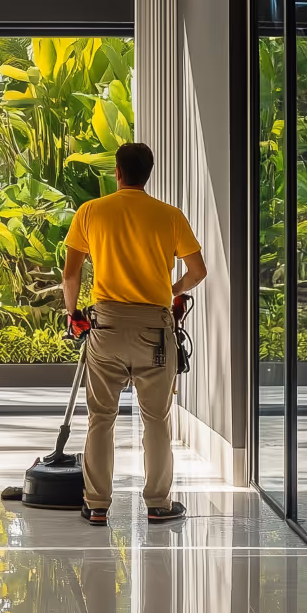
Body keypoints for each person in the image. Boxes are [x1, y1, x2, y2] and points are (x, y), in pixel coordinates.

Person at [61, 141, 206, 525]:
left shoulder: (91, 212)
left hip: (105, 326)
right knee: (156, 419)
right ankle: (158, 504)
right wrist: (169, 292)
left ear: (117, 172)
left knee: (101, 418)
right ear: (148, 173)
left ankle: (96, 504)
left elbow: (70, 273)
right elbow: (198, 271)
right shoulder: (169, 216)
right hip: (154, 331)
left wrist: (72, 314)